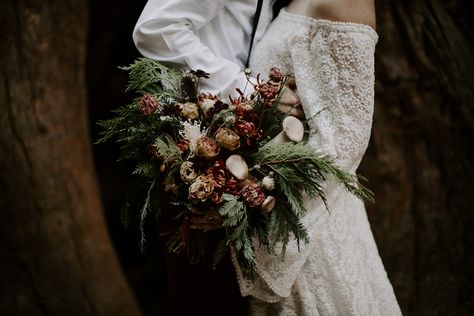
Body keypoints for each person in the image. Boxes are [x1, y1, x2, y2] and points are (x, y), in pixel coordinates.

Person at [230, 0, 404, 314]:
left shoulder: (346, 3)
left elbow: (346, 141)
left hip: (307, 215)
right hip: (280, 200)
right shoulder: (293, 1)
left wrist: (256, 197)